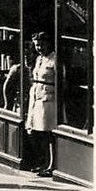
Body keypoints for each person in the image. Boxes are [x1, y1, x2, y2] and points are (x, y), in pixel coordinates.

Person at [26, 31, 56, 176]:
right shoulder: (39, 59)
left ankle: (51, 165)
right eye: (37, 45)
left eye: (42, 45)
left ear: (49, 43)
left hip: (49, 99)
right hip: (36, 97)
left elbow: (61, 80)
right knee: (38, 132)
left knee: (48, 133)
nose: (39, 48)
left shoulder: (54, 59)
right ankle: (43, 163)